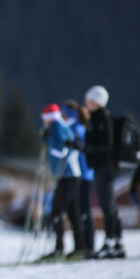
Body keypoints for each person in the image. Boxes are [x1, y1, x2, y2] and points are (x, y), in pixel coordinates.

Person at [39, 104, 85, 260]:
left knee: (56, 212)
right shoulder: (61, 125)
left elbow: (61, 150)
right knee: (72, 213)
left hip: (67, 175)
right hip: (70, 175)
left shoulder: (56, 126)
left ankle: (59, 248)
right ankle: (80, 248)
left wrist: (47, 137)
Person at [84, 86, 125, 258]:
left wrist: (87, 148)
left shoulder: (102, 119)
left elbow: (105, 145)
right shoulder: (96, 118)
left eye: (89, 100)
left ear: (96, 101)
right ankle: (117, 242)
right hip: (101, 166)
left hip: (105, 166)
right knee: (109, 205)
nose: (86, 102)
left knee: (107, 205)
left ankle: (111, 242)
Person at [63, 100, 95, 255]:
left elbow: (84, 149)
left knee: (84, 211)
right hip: (79, 175)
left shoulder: (77, 129)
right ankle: (82, 245)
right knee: (78, 211)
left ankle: (89, 246)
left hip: (84, 175)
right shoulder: (73, 127)